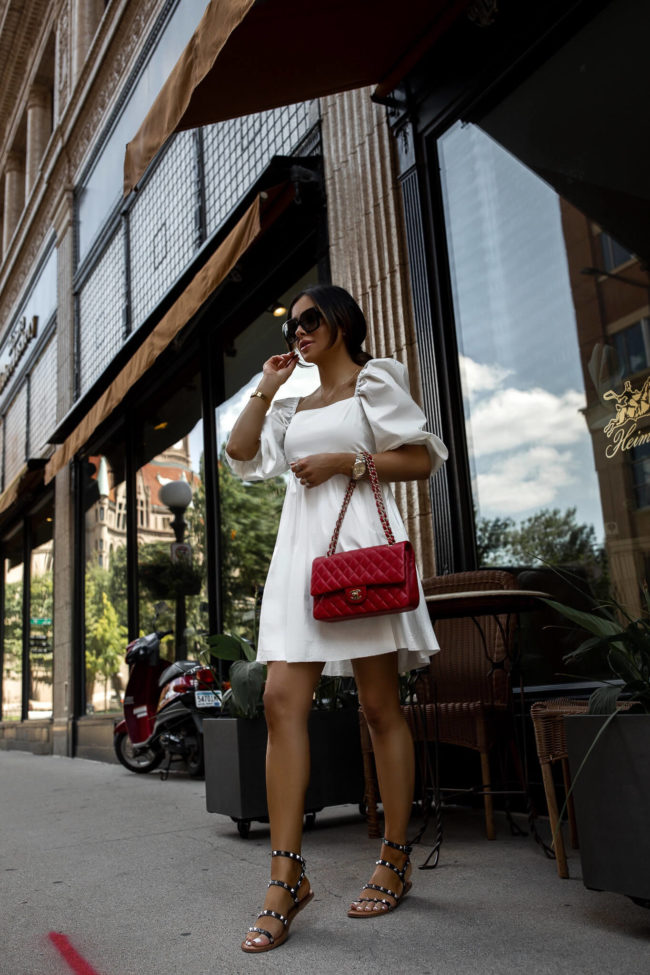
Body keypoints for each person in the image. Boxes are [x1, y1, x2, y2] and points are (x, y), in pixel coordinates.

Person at [226, 284, 448, 953]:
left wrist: (345, 462)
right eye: (291, 324)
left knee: (379, 708)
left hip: (360, 556)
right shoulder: (292, 404)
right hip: (302, 560)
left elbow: (421, 458)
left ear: (342, 321)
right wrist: (266, 387)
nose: (298, 330)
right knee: (279, 701)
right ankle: (285, 878)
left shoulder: (373, 382)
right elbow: (240, 451)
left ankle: (395, 856)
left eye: (310, 318)